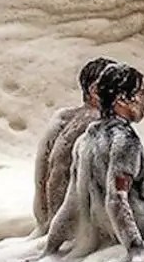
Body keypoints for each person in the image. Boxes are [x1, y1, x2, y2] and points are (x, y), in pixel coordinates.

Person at [44, 62, 144, 262]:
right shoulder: (125, 140)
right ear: (122, 99)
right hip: (143, 233)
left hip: (105, 237)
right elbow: (117, 200)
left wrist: (49, 251)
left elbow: (71, 204)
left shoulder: (86, 139)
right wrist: (137, 252)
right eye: (141, 92)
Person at [32, 57, 115, 235]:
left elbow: (42, 177)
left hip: (50, 223)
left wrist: (46, 223)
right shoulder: (100, 123)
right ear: (94, 89)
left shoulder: (63, 118)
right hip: (75, 230)